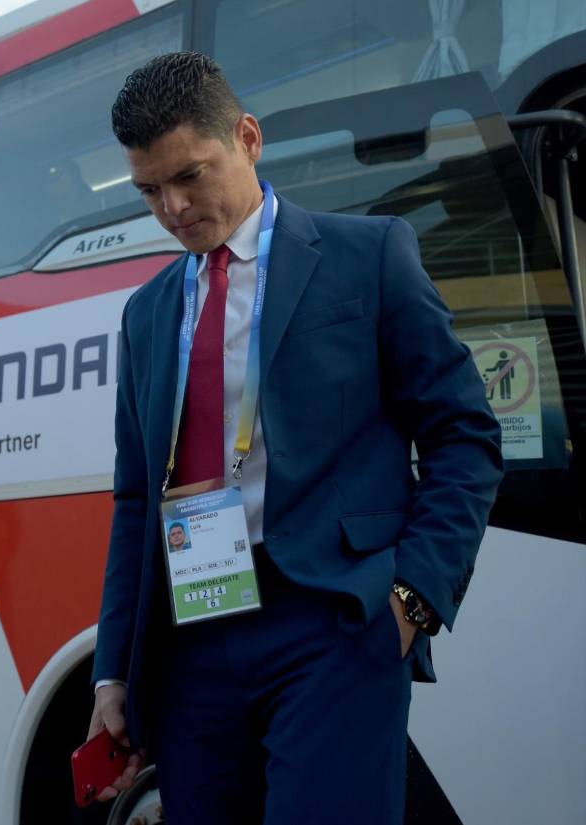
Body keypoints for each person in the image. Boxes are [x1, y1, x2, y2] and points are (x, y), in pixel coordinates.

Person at [86, 53, 502, 824]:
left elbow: (463, 435)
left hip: (333, 623)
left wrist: (411, 598)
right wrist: (115, 669)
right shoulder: (144, 314)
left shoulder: (368, 254)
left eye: (191, 175)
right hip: (192, 642)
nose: (173, 208)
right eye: (149, 190)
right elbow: (137, 499)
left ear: (248, 138)